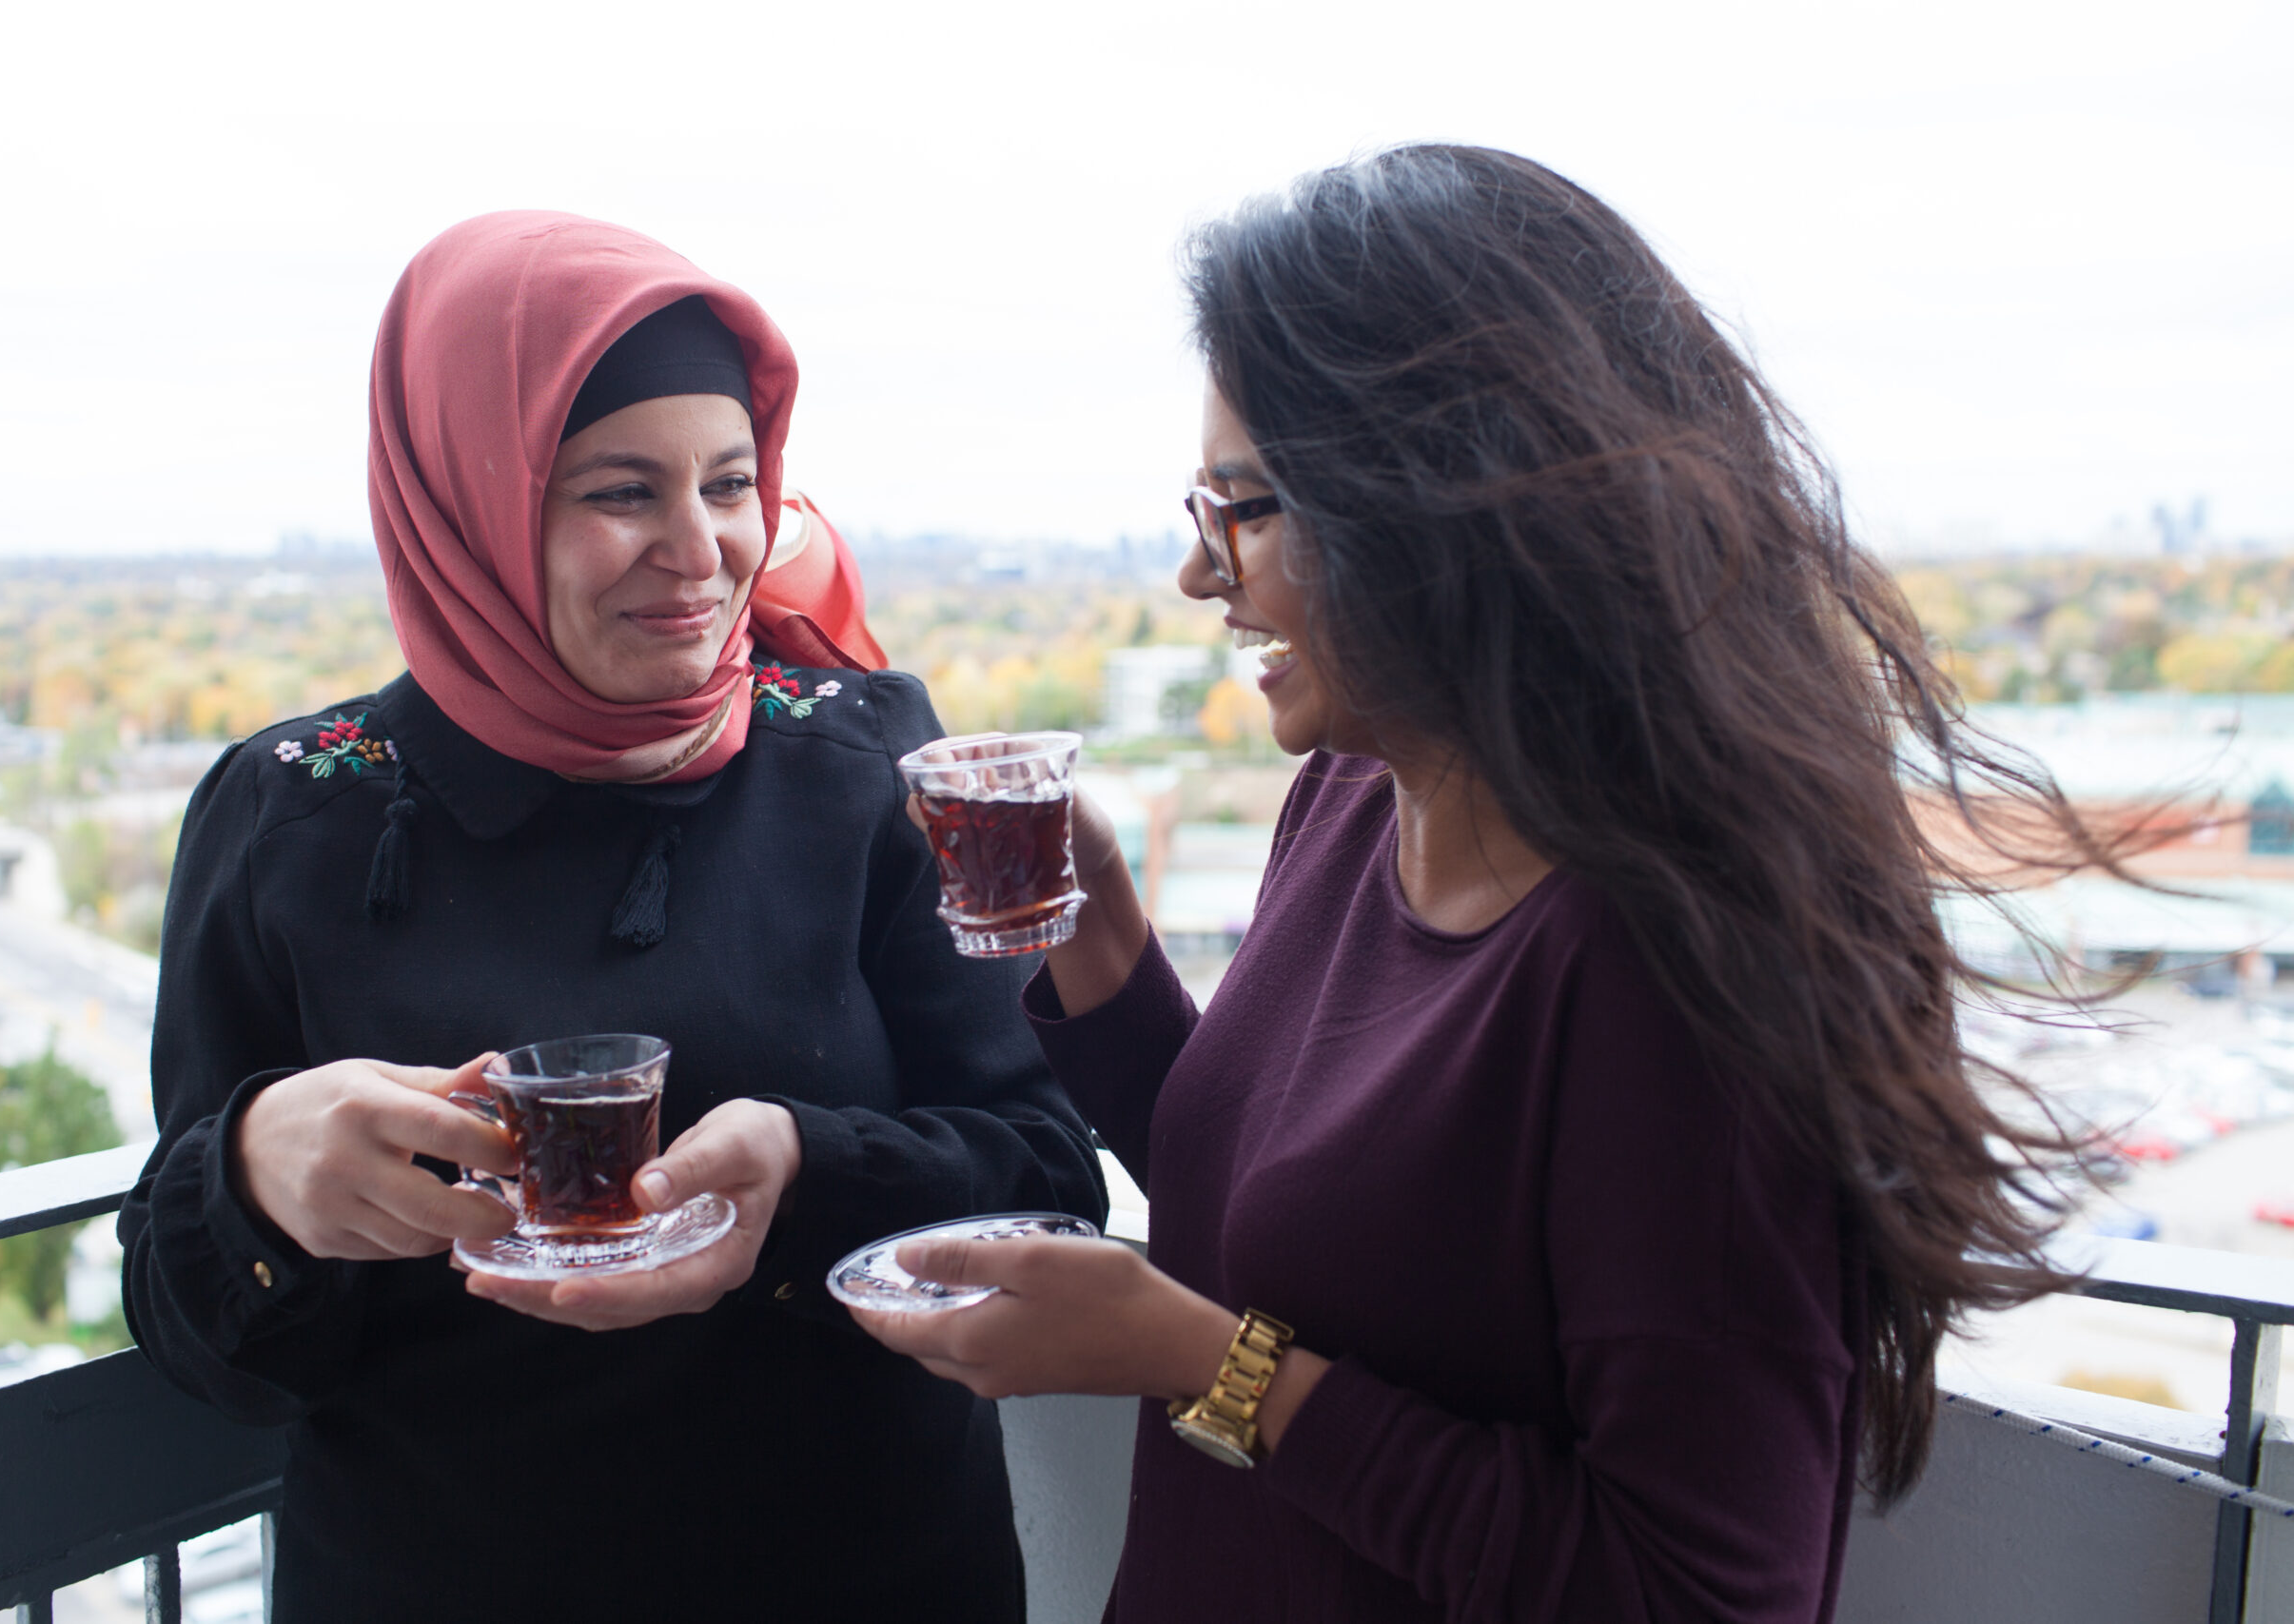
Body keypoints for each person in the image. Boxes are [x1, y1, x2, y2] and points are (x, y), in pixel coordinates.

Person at [856, 147, 2101, 1622]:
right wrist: (1102, 939)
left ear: (1435, 502)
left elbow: (1698, 1594)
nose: (1203, 578)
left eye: (1243, 507)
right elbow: (1280, 1210)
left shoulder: (1669, 962)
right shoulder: (1355, 792)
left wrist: (1199, 1362)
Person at [118, 210, 1107, 1622]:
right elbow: (188, 1321)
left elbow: (1046, 1181)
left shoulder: (861, 764)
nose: (701, 551)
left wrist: (799, 1177)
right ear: (472, 500)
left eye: (728, 482)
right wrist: (257, 1179)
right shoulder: (296, 812)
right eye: (620, 492)